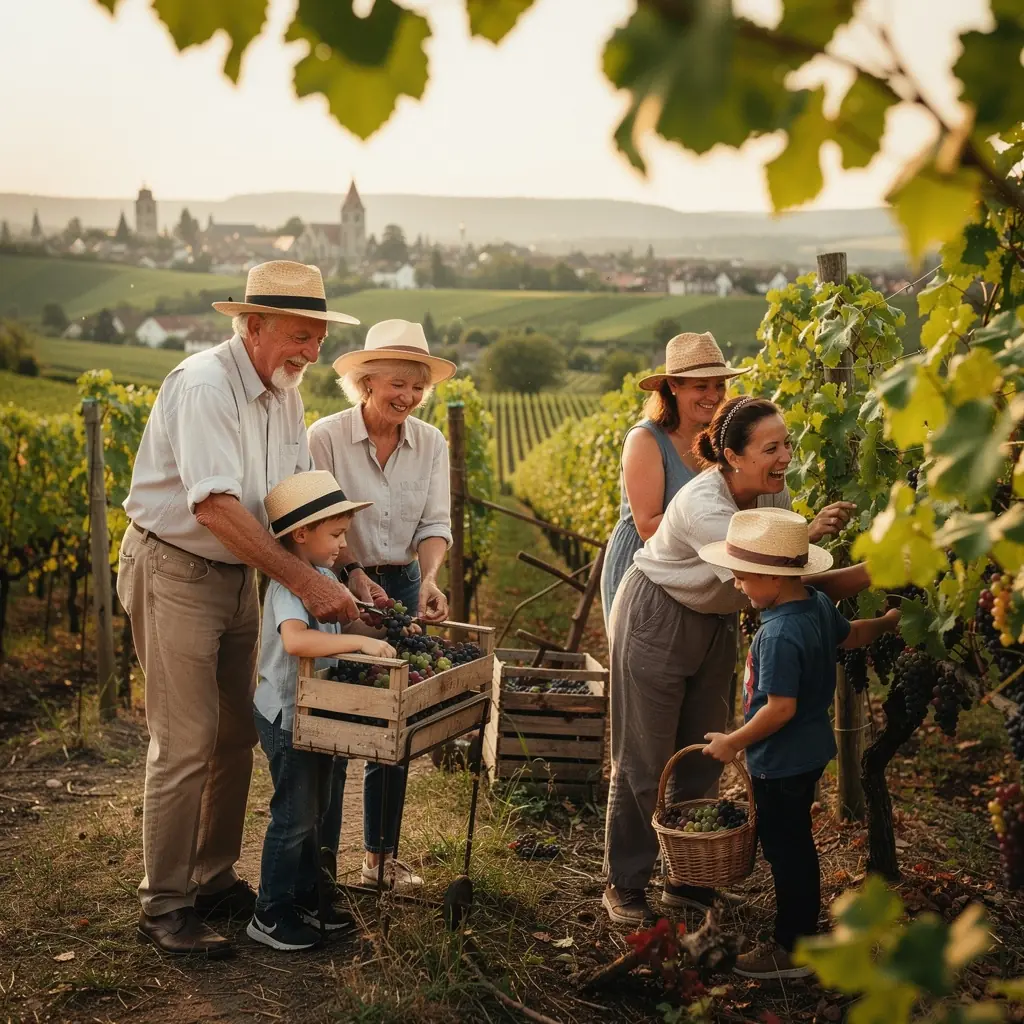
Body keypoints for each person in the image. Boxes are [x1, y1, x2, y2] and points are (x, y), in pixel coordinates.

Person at [118, 260, 365, 958]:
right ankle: (164, 905)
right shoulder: (204, 386)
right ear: (252, 325)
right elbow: (217, 507)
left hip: (238, 574)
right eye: (299, 335)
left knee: (234, 737)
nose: (311, 352)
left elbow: (295, 497)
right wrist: (310, 586)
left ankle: (213, 878)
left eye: (318, 337)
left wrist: (347, 568)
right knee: (185, 741)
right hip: (175, 569)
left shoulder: (283, 392)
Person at [602, 395, 864, 927]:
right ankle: (625, 884)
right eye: (771, 447)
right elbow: (787, 578)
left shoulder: (772, 493)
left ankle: (688, 880)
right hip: (658, 613)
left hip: (715, 616)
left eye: (787, 443)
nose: (785, 456)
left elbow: (783, 583)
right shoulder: (705, 507)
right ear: (731, 455)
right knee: (644, 759)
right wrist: (875, 566)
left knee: (703, 753)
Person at [699, 508, 901, 979]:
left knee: (786, 851)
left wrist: (733, 741)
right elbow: (852, 637)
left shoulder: (777, 635)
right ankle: (802, 933)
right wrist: (889, 622)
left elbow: (779, 708)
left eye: (743, 577)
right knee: (798, 845)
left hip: (781, 762)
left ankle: (792, 947)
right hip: (808, 754)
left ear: (773, 577)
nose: (737, 585)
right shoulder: (814, 605)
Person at [308, 318, 457, 890]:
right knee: (340, 718)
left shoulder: (431, 443)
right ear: (366, 382)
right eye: (398, 383)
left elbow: (435, 523)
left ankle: (380, 859)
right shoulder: (325, 437)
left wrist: (429, 579)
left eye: (418, 386)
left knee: (394, 723)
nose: (409, 397)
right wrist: (350, 574)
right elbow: (317, 523)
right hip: (340, 585)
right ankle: (321, 863)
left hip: (399, 591)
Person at [247, 471, 396, 952]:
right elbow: (296, 640)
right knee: (292, 817)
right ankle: (269, 914)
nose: (343, 544)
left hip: (320, 714)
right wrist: (357, 641)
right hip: (289, 717)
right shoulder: (290, 586)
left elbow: (344, 631)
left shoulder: (325, 577)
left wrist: (379, 633)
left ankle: (308, 899)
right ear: (301, 534)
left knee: (318, 810)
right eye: (335, 534)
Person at [601, 332, 746, 625]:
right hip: (644, 570)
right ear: (673, 386)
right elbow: (647, 527)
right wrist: (735, 539)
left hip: (703, 573)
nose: (714, 395)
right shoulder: (646, 439)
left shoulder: (721, 443)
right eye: (701, 386)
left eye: (719, 385)